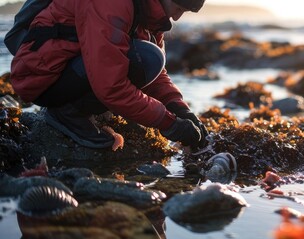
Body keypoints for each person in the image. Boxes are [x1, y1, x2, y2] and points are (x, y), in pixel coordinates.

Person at [9, 0, 208, 150]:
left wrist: (180, 109)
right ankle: (67, 112)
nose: (177, 17)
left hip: (69, 67)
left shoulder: (148, 12)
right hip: (41, 77)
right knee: (148, 56)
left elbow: (155, 75)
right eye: (178, 7)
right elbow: (112, 86)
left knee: (150, 58)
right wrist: (169, 123)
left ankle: (82, 106)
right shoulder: (112, 3)